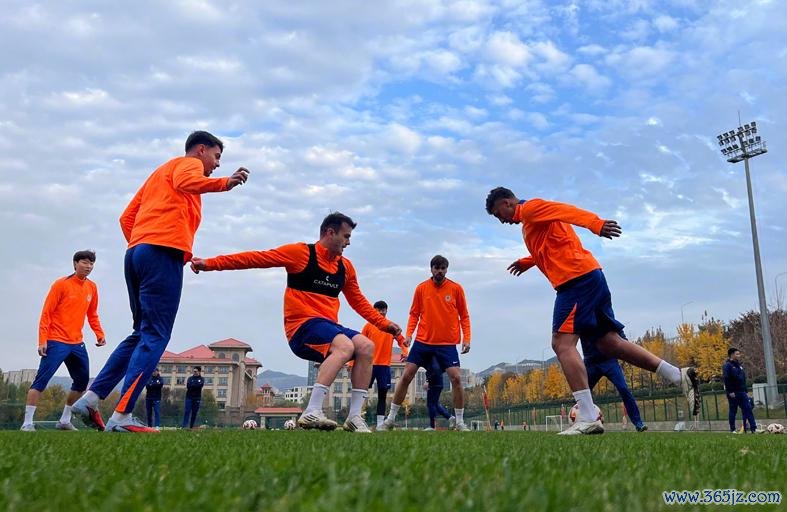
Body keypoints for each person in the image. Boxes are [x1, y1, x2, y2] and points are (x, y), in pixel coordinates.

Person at [485, 187, 700, 435]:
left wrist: (596, 224)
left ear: (507, 203)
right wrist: (528, 261)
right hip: (590, 277)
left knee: (562, 344)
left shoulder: (531, 209)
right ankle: (678, 376)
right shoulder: (529, 222)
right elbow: (551, 245)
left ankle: (588, 416)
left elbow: (566, 211)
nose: (500, 220)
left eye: (498, 214)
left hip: (575, 282)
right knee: (609, 344)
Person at [73, 131, 250, 433]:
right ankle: (122, 415)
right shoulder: (188, 165)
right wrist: (225, 184)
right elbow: (186, 181)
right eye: (217, 156)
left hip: (136, 253)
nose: (218, 164)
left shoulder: (159, 173)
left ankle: (91, 398)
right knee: (156, 335)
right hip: (161, 253)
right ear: (201, 150)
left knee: (141, 333)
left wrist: (143, 241)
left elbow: (126, 217)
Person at [191, 212, 401, 433]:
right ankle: (312, 410)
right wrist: (209, 264)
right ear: (330, 232)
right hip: (301, 327)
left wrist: (385, 325)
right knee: (345, 346)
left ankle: (354, 417)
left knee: (366, 346)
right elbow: (255, 258)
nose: (348, 242)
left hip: (329, 327)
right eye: (346, 236)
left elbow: (359, 302)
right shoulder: (301, 254)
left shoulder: (345, 267)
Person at [381, 255, 472, 431]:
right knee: (406, 375)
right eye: (436, 268)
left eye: (443, 268)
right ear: (431, 269)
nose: (440, 271)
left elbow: (464, 316)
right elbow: (414, 314)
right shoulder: (421, 288)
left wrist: (466, 338)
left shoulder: (456, 289)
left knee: (456, 378)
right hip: (423, 341)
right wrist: (409, 335)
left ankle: (460, 422)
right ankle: (390, 419)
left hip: (447, 344)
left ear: (447, 269)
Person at [21, 250, 106, 431]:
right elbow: (46, 313)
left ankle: (64, 420)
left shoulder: (92, 287)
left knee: (81, 382)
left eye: (91, 263)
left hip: (77, 343)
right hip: (56, 340)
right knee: (41, 380)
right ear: (75, 264)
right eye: (85, 262)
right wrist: (42, 340)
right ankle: (27, 423)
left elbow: (92, 314)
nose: (88, 266)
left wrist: (99, 333)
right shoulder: (61, 284)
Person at [354, 300, 408, 430]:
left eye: (383, 309)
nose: (381, 312)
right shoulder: (368, 326)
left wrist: (405, 352)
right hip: (369, 365)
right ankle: (355, 417)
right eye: (378, 309)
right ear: (374, 311)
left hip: (384, 366)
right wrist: (352, 362)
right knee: (362, 392)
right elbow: (359, 344)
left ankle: (379, 425)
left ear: (386, 311)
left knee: (382, 395)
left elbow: (402, 341)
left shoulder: (391, 326)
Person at [581, 338, 648, 432]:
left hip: (610, 361)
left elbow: (622, 339)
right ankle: (582, 421)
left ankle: (638, 423)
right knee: (582, 392)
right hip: (591, 363)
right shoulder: (582, 328)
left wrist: (625, 351)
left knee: (624, 389)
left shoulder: (610, 327)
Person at [723, 347, 756, 433]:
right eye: (737, 354)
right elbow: (726, 379)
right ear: (732, 355)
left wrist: (746, 391)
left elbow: (743, 379)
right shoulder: (727, 365)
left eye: (739, 354)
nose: (739, 355)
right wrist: (730, 391)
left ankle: (753, 428)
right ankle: (732, 429)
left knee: (748, 408)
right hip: (733, 392)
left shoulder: (739, 366)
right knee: (733, 410)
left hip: (742, 392)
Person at [424, 357, 454, 431]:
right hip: (438, 382)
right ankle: (450, 417)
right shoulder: (437, 357)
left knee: (430, 404)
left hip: (433, 383)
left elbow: (435, 369)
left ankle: (432, 426)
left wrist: (427, 380)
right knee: (435, 404)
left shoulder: (431, 357)